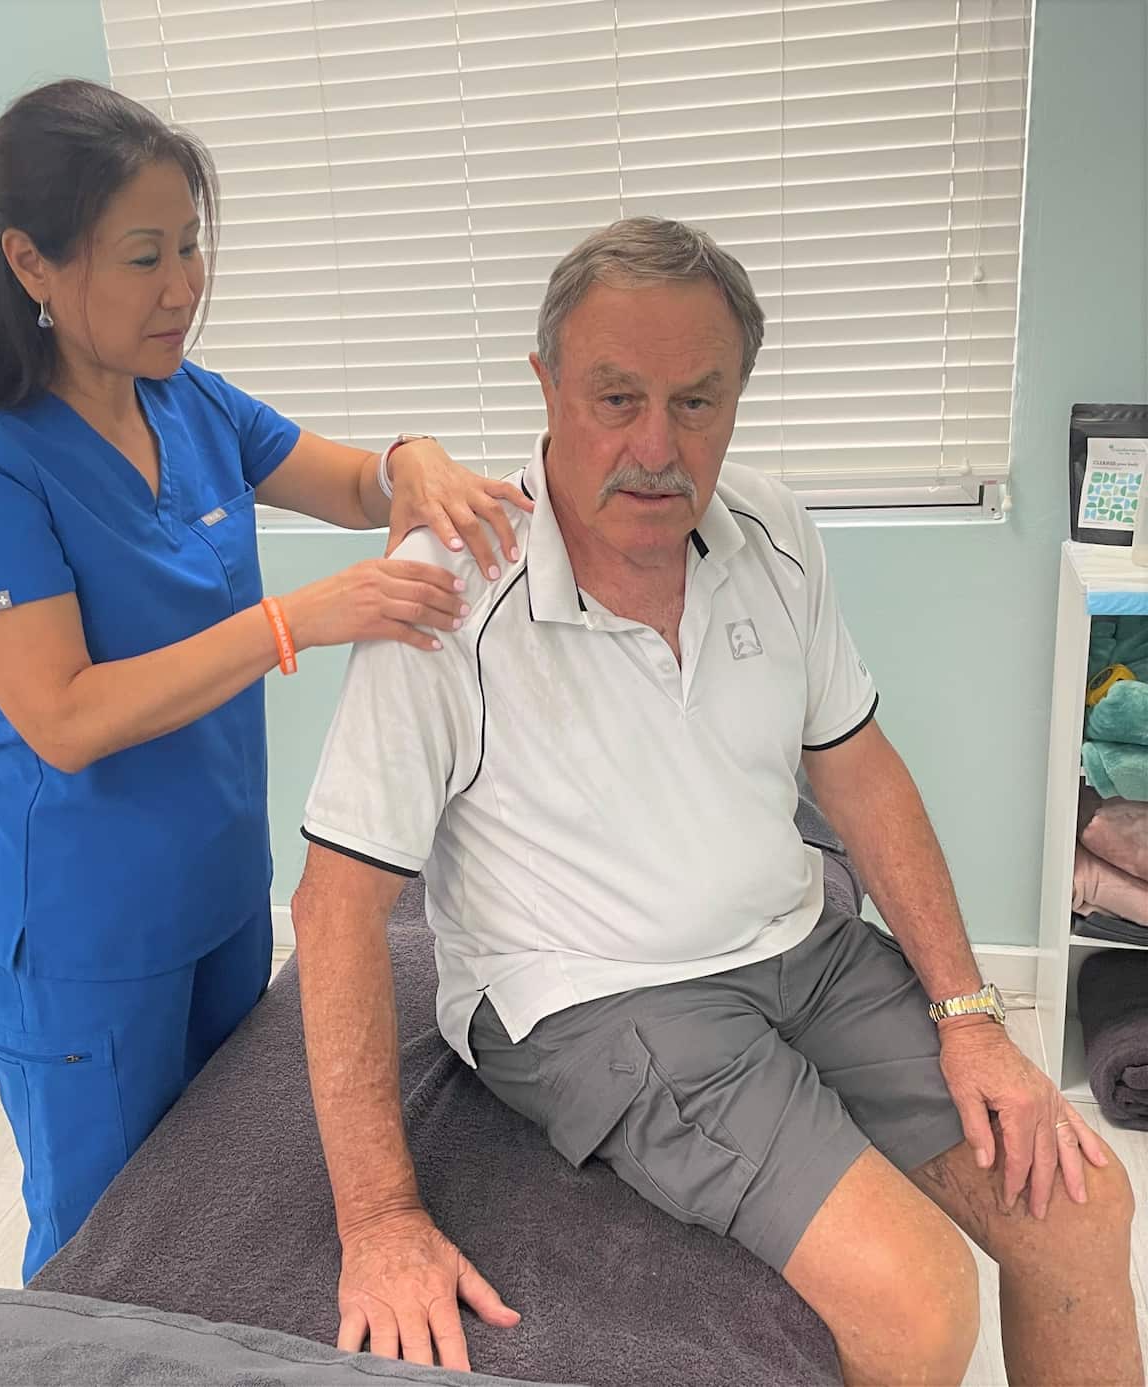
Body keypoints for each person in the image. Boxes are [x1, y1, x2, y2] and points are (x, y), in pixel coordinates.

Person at [292, 218, 1142, 1384]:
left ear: (738, 394)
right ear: (544, 388)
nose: (654, 446)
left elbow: (855, 767)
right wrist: (380, 1218)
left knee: (1082, 1207)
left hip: (801, 947)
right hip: (594, 992)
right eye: (614, 398)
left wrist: (970, 1015)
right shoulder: (449, 596)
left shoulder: (770, 530)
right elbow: (336, 907)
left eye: (696, 402)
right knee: (919, 1300)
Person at [0, 78, 530, 1282]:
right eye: (142, 257)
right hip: (92, 929)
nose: (182, 285)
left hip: (223, 890)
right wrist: (296, 619)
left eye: (190, 245)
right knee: (103, 1258)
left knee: (223, 1206)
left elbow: (349, 482)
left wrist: (416, 461)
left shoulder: (186, 400)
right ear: (31, 261)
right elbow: (66, 717)